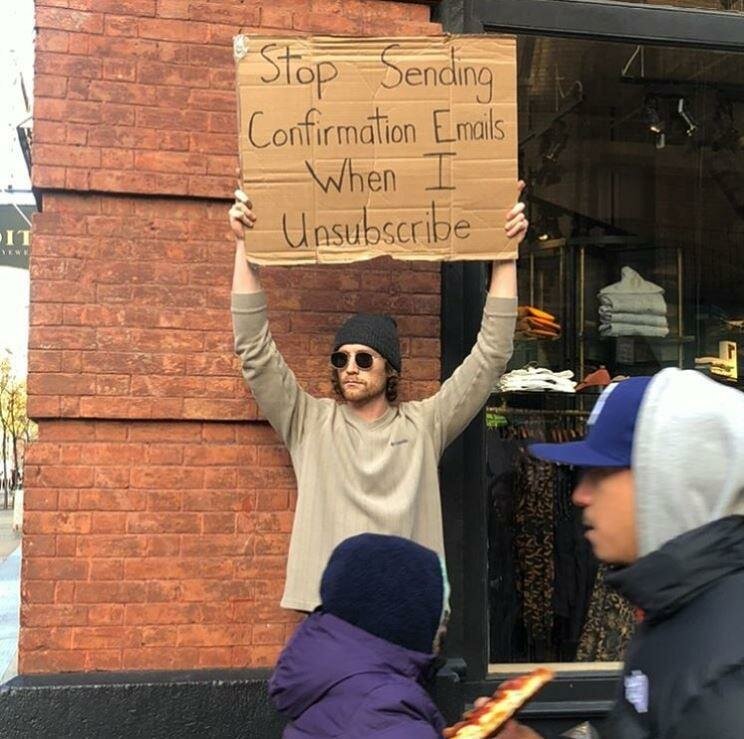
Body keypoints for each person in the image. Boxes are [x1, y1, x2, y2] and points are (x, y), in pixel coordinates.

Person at [229, 184, 528, 612]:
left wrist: (504, 254)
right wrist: (245, 248)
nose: (350, 366)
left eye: (365, 358)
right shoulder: (310, 423)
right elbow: (254, 351)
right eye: (341, 357)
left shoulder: (425, 424)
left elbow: (491, 355)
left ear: (390, 369)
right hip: (331, 614)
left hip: (404, 613)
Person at [522, 369, 744, 738]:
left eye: (600, 473)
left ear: (671, 481)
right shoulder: (677, 607)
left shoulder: (723, 681)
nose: (580, 495)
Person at [268, 533, 450, 738]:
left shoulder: (338, 687)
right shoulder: (388, 712)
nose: (443, 628)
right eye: (440, 613)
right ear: (409, 618)